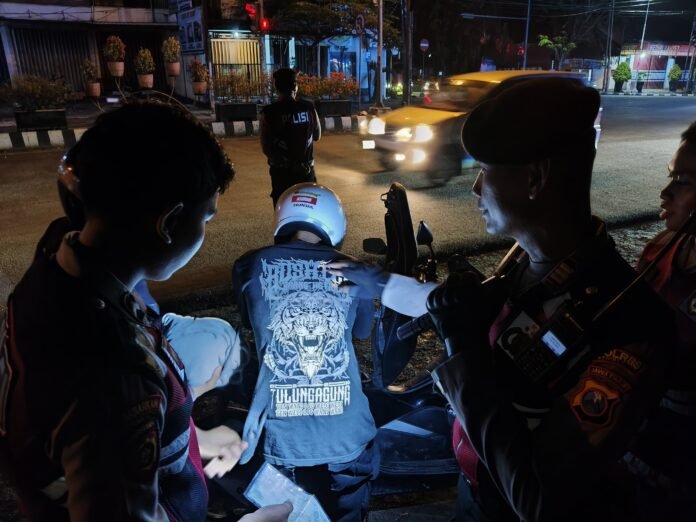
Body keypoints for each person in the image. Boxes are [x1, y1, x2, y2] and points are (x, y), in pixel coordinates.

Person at [329, 79, 675, 521]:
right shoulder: (529, 263)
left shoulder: (628, 320)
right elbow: (464, 309)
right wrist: (376, 282)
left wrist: (464, 353)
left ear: (533, 178)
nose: (476, 188)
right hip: (474, 493)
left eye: (485, 170)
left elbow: (538, 501)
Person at [0, 101, 291, 522]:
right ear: (169, 223)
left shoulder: (55, 261)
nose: (204, 232)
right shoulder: (115, 374)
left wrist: (193, 441)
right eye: (206, 218)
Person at [232, 183, 379, 521]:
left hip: (282, 438)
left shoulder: (248, 265)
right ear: (335, 222)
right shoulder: (354, 270)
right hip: (347, 435)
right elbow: (362, 332)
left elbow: (251, 321)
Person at [621, 121, 696, 520]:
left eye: (683, 182)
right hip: (631, 452)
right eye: (671, 177)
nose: (665, 193)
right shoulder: (659, 249)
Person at [260, 68, 321, 207]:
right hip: (306, 173)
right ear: (295, 86)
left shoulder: (269, 113)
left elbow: (266, 147)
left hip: (282, 177)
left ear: (276, 87)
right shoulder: (308, 108)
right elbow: (317, 136)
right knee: (308, 212)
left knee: (283, 213)